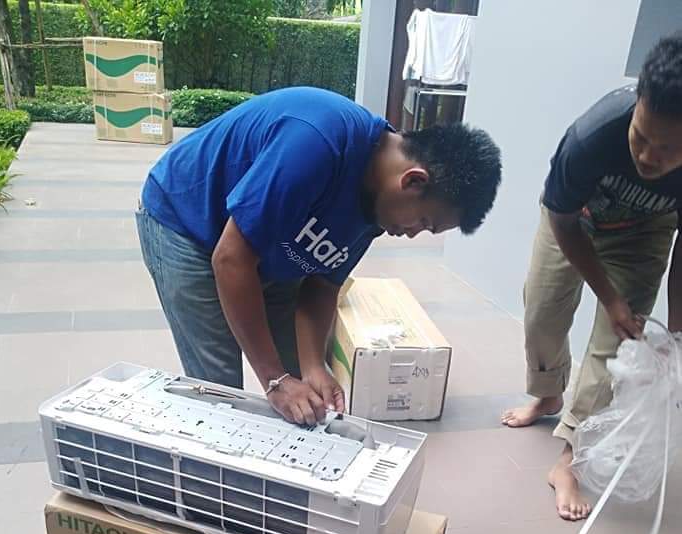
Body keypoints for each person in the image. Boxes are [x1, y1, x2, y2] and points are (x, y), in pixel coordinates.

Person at [138, 86, 501, 425]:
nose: (411, 234)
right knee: (221, 389)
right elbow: (231, 259)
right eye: (423, 222)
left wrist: (313, 367)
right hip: (186, 221)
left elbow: (323, 285)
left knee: (304, 386)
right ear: (413, 181)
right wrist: (275, 380)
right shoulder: (317, 142)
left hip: (268, 243)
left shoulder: (380, 206)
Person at [502, 33, 682, 520]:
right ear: (638, 102)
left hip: (644, 234)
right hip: (573, 221)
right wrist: (609, 296)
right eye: (641, 137)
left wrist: (677, 334)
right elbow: (561, 220)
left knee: (614, 347)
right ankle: (548, 393)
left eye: (667, 149)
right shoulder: (593, 135)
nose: (648, 157)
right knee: (542, 310)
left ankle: (570, 461)